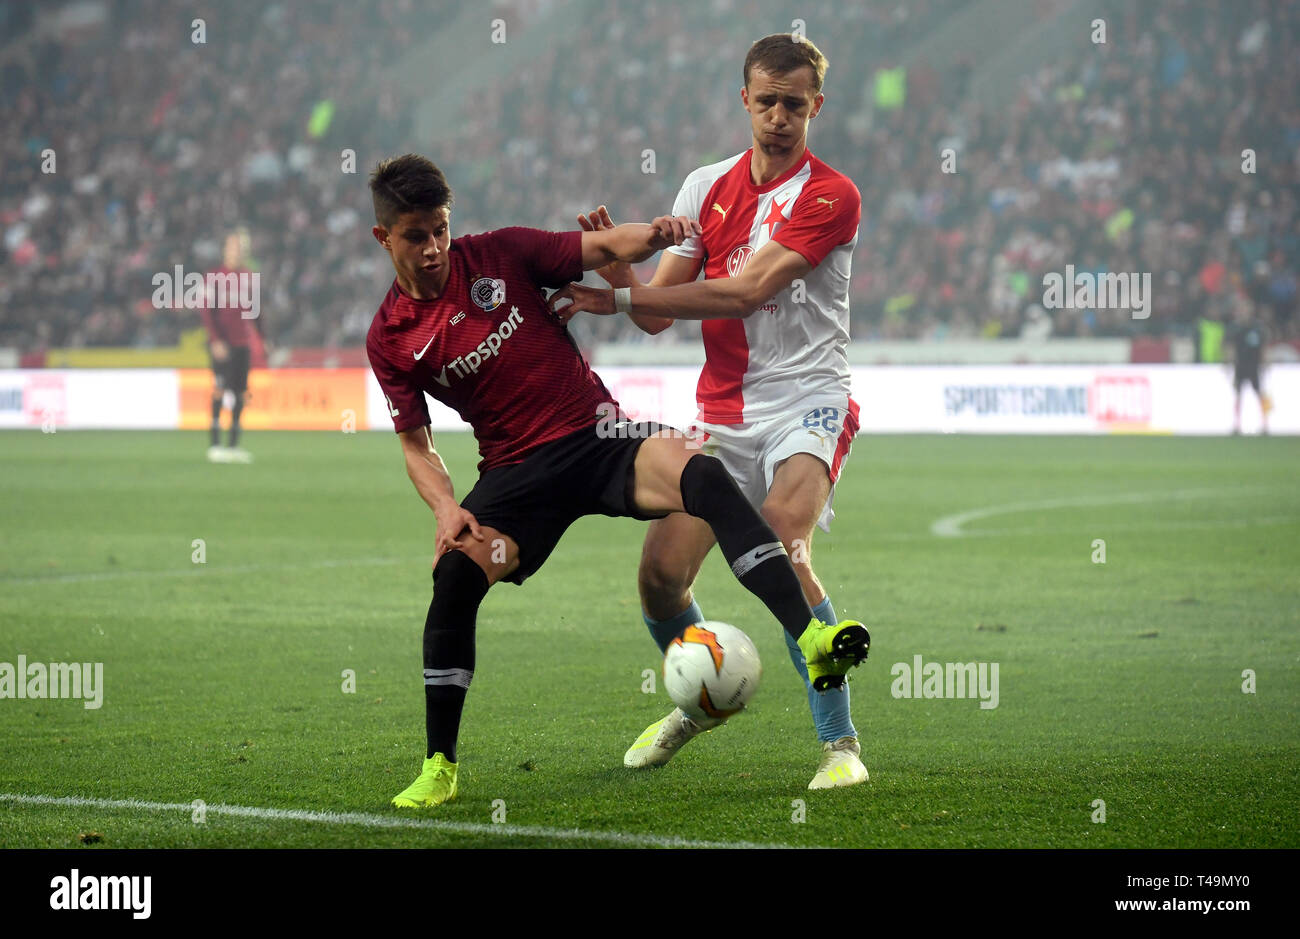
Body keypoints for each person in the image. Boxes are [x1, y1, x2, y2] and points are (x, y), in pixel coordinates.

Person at [365, 154, 869, 808]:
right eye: (416, 235)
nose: (435, 247)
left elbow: (601, 245)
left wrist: (656, 235)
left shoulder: (501, 254)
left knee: (704, 475)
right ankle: (439, 765)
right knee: (456, 578)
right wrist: (443, 508)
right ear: (385, 238)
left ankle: (812, 640)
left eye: (441, 229)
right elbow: (416, 442)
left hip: (597, 436)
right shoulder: (390, 337)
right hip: (517, 476)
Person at [550, 33, 869, 789]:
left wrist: (620, 294)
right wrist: (622, 268)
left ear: (816, 107)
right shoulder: (703, 189)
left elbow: (745, 292)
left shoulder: (832, 195)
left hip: (808, 400)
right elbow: (659, 316)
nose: (780, 117)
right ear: (745, 100)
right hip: (721, 412)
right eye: (767, 101)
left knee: (785, 539)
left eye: (795, 104)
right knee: (661, 574)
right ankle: (701, 691)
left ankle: (841, 746)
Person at [202, 230, 262, 463]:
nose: (236, 252)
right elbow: (206, 312)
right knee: (219, 390)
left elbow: (257, 309)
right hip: (222, 345)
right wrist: (215, 340)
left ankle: (234, 445)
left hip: (242, 344)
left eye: (240, 248)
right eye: (233, 247)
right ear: (225, 250)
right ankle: (215, 445)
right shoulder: (213, 276)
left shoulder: (248, 276)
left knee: (239, 394)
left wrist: (262, 336)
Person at [1230, 303, 1269, 435]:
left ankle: (1264, 424)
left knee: (1259, 395)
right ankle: (1236, 425)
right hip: (1240, 366)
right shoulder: (1236, 328)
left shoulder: (1257, 328)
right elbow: (1231, 348)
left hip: (1254, 366)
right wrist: (1230, 362)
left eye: (1246, 310)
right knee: (1238, 395)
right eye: (1242, 310)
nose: (1244, 312)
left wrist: (1264, 363)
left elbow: (1263, 347)